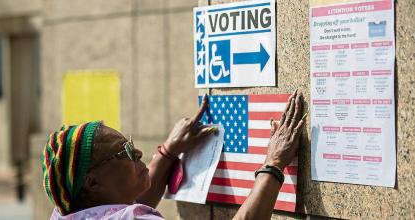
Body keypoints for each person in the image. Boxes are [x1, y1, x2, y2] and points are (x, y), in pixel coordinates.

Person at [42, 90, 305, 220]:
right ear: (92, 183)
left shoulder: (67, 210)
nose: (139, 152)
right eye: (124, 152)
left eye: (130, 143)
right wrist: (274, 163)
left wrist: (168, 152)